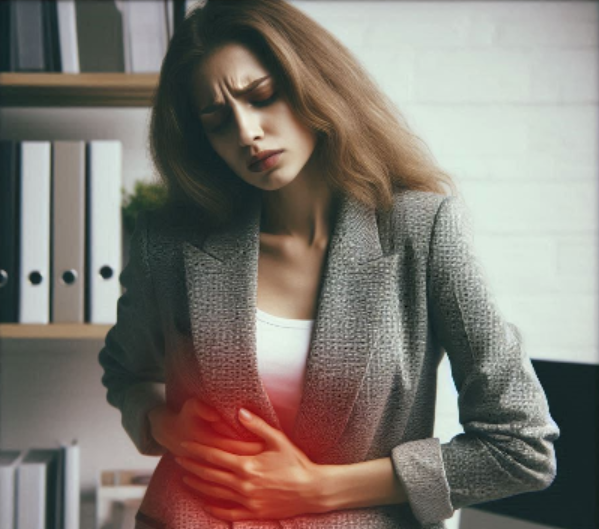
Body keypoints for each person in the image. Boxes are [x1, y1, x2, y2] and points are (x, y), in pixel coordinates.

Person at [98, 1, 560, 528]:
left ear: (312, 83)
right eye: (218, 120)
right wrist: (165, 423)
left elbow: (520, 446)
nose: (247, 131)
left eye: (262, 96)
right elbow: (126, 371)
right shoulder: (170, 241)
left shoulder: (422, 229)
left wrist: (316, 489)